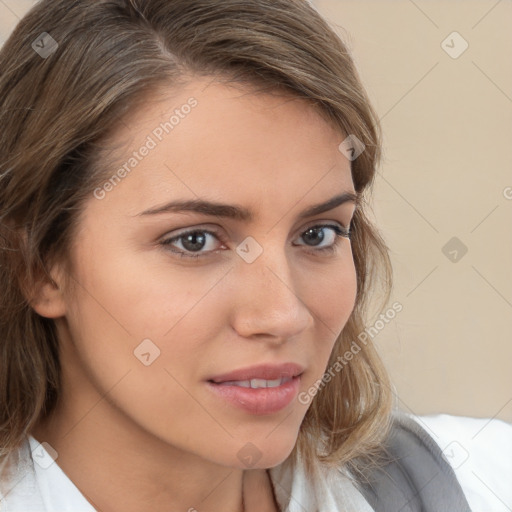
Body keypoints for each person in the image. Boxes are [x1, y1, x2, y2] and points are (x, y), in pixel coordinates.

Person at [0, 1, 472, 510]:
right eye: (195, 241)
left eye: (317, 234)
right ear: (39, 266)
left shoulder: (466, 480)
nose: (283, 315)